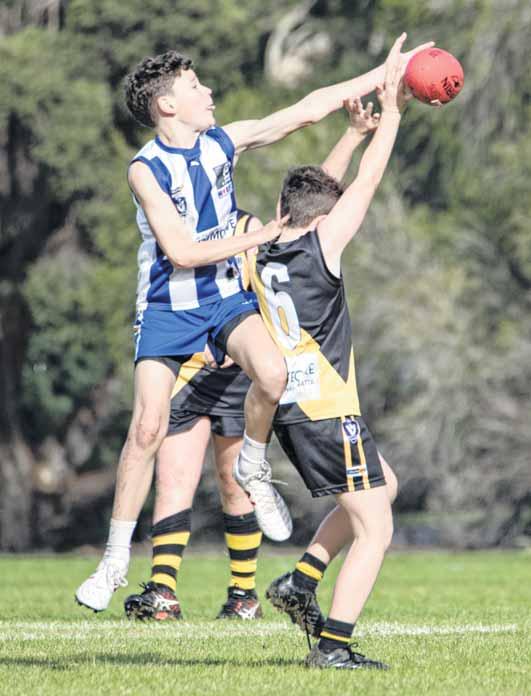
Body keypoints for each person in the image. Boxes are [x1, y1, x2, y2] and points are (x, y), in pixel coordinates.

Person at [75, 34, 432, 613]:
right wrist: (258, 235)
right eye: (195, 86)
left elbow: (307, 108)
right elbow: (182, 253)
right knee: (147, 429)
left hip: (223, 301)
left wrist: (390, 70)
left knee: (273, 373)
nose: (208, 91)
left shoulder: (222, 142)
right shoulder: (145, 170)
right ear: (168, 104)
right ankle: (115, 560)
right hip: (168, 305)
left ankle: (253, 467)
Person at [123, 97, 384, 621]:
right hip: (206, 369)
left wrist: (353, 136)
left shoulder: (252, 230)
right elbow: (311, 213)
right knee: (176, 475)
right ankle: (165, 590)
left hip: (249, 372)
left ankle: (247, 594)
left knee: (233, 479)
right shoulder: (193, 230)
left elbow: (308, 208)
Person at [247, 34, 412, 669]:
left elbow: (318, 193)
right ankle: (334, 648)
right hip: (325, 408)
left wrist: (349, 134)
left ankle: (302, 580)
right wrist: (390, 115)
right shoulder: (323, 247)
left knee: (383, 485)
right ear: (323, 220)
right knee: (377, 527)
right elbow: (364, 184)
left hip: (292, 409)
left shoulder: (265, 248)